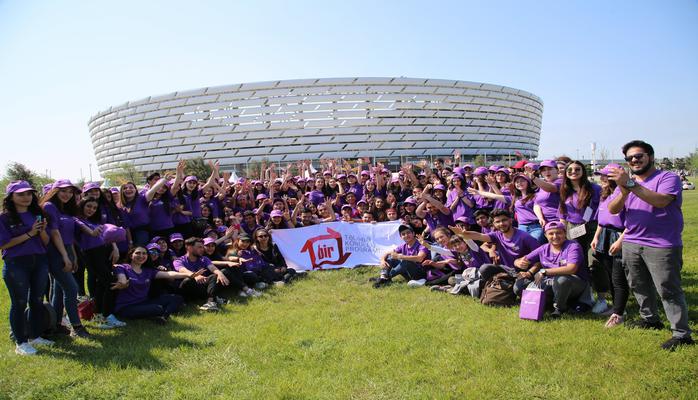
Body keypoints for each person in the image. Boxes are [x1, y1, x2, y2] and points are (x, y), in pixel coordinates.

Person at [607, 140, 693, 351]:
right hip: (632, 242)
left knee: (668, 289)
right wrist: (624, 191)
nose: (634, 160)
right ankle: (650, 319)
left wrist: (629, 185)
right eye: (629, 158)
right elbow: (612, 209)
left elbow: (661, 201)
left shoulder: (667, 178)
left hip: (662, 244)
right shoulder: (629, 183)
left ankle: (681, 334)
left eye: (638, 156)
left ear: (651, 157)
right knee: (638, 284)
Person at [1, 181, 54, 355]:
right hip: (17, 263)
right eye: (21, 194)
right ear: (11, 197)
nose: (26, 197)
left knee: (37, 300)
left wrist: (42, 231)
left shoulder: (37, 214)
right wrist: (30, 233)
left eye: (29, 193)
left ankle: (35, 335)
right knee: (19, 302)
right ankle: (21, 342)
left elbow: (45, 242)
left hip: (39, 260)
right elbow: (3, 244)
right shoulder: (4, 218)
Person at [40, 179, 91, 338]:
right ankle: (76, 326)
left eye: (70, 192)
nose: (67, 194)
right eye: (63, 191)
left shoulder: (66, 208)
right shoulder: (49, 206)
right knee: (71, 288)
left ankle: (55, 325)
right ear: (55, 191)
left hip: (67, 249)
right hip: (55, 252)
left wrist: (73, 256)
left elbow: (69, 236)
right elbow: (55, 233)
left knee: (59, 290)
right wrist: (64, 256)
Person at [448, 209, 540, 294]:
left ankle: (506, 288)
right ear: (494, 224)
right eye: (497, 222)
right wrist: (462, 234)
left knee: (518, 289)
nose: (501, 224)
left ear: (511, 220)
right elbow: (480, 236)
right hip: (507, 270)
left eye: (504, 220)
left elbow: (540, 257)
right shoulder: (497, 235)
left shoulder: (524, 236)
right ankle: (498, 287)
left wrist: (529, 272)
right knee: (485, 268)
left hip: (523, 272)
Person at [516, 221, 593, 318]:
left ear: (565, 233)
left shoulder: (573, 246)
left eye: (559, 233)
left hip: (575, 283)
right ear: (545, 235)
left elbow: (571, 269)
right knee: (519, 285)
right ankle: (543, 304)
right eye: (551, 234)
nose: (555, 236)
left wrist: (545, 271)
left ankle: (559, 308)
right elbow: (523, 259)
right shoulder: (544, 248)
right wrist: (518, 262)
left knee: (561, 280)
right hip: (550, 282)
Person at [75, 197, 126, 329]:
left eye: (94, 208)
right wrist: (92, 232)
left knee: (102, 285)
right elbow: (86, 230)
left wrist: (114, 248)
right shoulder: (78, 220)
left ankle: (99, 315)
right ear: (82, 205)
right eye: (88, 206)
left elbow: (108, 235)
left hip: (105, 251)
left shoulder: (94, 220)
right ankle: (106, 315)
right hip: (92, 254)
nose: (91, 209)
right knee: (111, 282)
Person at [589, 164, 628, 321]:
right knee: (610, 274)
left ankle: (620, 310)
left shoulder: (624, 193)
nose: (602, 178)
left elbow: (632, 222)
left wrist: (620, 241)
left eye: (607, 176)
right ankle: (616, 306)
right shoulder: (604, 195)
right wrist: (596, 237)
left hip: (618, 235)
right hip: (604, 235)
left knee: (618, 276)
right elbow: (601, 220)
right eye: (602, 175)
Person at [112, 247, 190, 323]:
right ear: (131, 256)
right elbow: (121, 278)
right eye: (138, 253)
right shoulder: (122, 267)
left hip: (144, 302)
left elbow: (169, 274)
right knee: (157, 308)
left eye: (144, 253)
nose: (141, 256)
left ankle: (163, 316)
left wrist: (189, 274)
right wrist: (122, 282)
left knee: (177, 298)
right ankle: (162, 314)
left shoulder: (148, 271)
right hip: (126, 306)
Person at [172, 237, 243, 311]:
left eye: (202, 247)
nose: (202, 249)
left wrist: (220, 273)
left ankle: (210, 302)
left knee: (214, 276)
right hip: (187, 289)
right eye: (199, 247)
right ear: (189, 247)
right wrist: (195, 275)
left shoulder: (204, 259)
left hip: (201, 286)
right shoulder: (179, 261)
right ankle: (215, 298)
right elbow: (183, 270)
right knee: (188, 280)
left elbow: (212, 268)